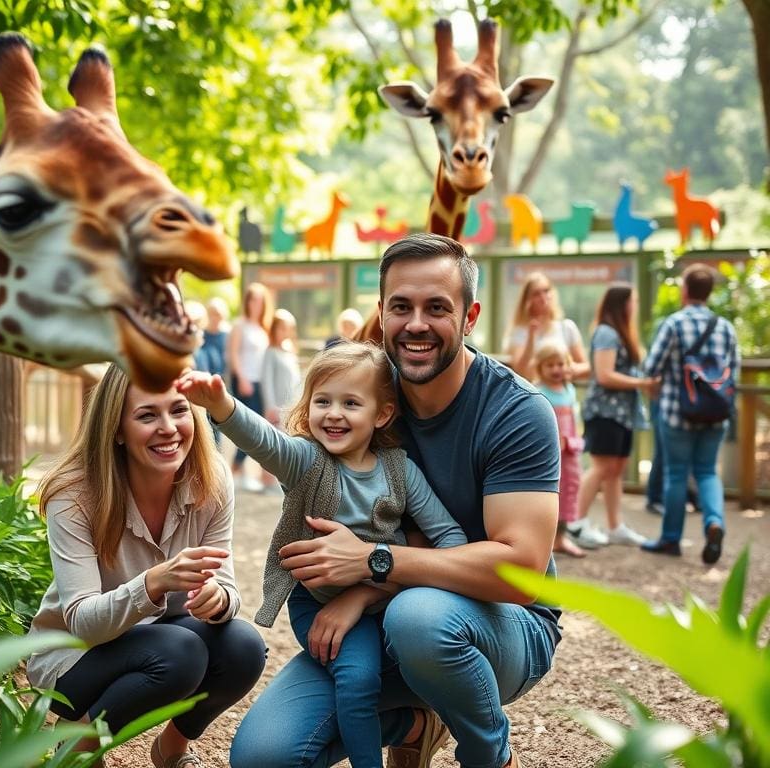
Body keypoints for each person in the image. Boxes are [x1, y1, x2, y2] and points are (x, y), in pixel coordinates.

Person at [228, 233, 562, 768]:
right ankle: (416, 721)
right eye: (401, 307)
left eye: (438, 308)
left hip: (496, 626)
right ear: (382, 313)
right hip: (374, 622)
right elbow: (280, 450)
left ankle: (488, 753)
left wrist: (370, 569)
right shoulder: (363, 399)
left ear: (470, 316)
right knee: (263, 758)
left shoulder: (516, 412)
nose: (416, 324)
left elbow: (520, 572)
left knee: (419, 619)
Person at [177, 340, 468, 768]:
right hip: (317, 603)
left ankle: (411, 725)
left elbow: (450, 539)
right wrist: (222, 405)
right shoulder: (307, 461)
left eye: (351, 402)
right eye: (323, 401)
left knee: (363, 681)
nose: (333, 413)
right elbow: (265, 442)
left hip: (379, 599)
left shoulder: (399, 470)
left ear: (382, 413)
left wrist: (382, 584)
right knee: (357, 680)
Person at [26, 365, 266, 768]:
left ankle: (170, 750)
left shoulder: (212, 480)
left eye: (179, 410)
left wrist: (217, 600)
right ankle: (77, 752)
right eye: (147, 415)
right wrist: (152, 583)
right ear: (116, 429)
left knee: (243, 647)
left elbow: (226, 587)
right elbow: (83, 622)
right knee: (181, 652)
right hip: (73, 656)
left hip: (163, 641)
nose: (168, 428)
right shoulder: (74, 494)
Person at [641, 264, 739, 563]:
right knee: (708, 471)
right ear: (709, 292)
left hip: (676, 412)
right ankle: (714, 522)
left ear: (685, 291)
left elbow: (651, 368)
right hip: (715, 414)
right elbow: (732, 371)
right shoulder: (725, 327)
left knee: (676, 475)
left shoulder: (674, 324)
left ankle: (671, 540)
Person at [572, 283, 659, 550]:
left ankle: (614, 525)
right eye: (632, 301)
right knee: (601, 467)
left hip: (622, 413)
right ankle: (576, 522)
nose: (635, 306)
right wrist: (642, 384)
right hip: (605, 411)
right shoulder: (607, 333)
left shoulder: (619, 333)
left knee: (616, 470)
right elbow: (605, 374)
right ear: (621, 304)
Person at [534, 342, 586, 558]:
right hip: (548, 452)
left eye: (561, 364)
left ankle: (561, 538)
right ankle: (544, 541)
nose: (557, 370)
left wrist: (576, 440)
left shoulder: (570, 390)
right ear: (540, 368)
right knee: (548, 493)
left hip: (570, 453)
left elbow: (575, 419)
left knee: (569, 491)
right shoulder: (537, 391)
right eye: (550, 365)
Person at [226, 282, 273, 492]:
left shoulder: (263, 327)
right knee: (248, 428)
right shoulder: (240, 325)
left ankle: (241, 472)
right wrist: (242, 378)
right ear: (247, 302)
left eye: (260, 300)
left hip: (259, 382)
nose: (257, 304)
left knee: (255, 428)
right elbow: (233, 355)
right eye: (253, 299)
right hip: (245, 382)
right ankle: (232, 471)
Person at [505, 271, 589, 382]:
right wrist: (531, 336)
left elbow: (585, 367)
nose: (543, 297)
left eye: (546, 291)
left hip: (563, 396)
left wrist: (564, 369)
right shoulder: (520, 331)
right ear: (527, 300)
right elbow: (520, 371)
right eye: (536, 294)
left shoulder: (567, 327)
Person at [260, 308, 302, 495]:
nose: (285, 332)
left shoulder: (289, 351)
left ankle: (280, 482)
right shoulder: (271, 352)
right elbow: (266, 380)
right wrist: (270, 405)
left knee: (286, 445)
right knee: (271, 445)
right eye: (281, 328)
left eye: (288, 328)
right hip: (276, 407)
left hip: (289, 407)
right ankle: (267, 482)